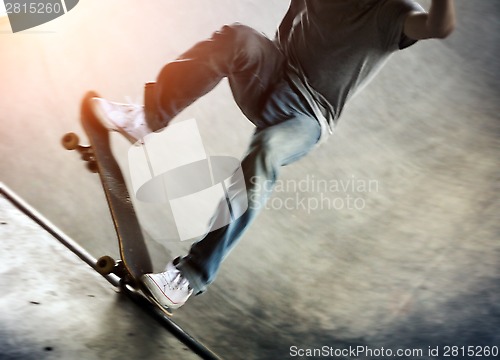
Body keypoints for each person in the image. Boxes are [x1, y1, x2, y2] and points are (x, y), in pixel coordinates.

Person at [92, 0, 456, 310]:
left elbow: (439, 26)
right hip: (271, 72)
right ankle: (147, 117)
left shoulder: (393, 13)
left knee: (265, 155)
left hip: (307, 115)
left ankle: (189, 276)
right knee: (237, 37)